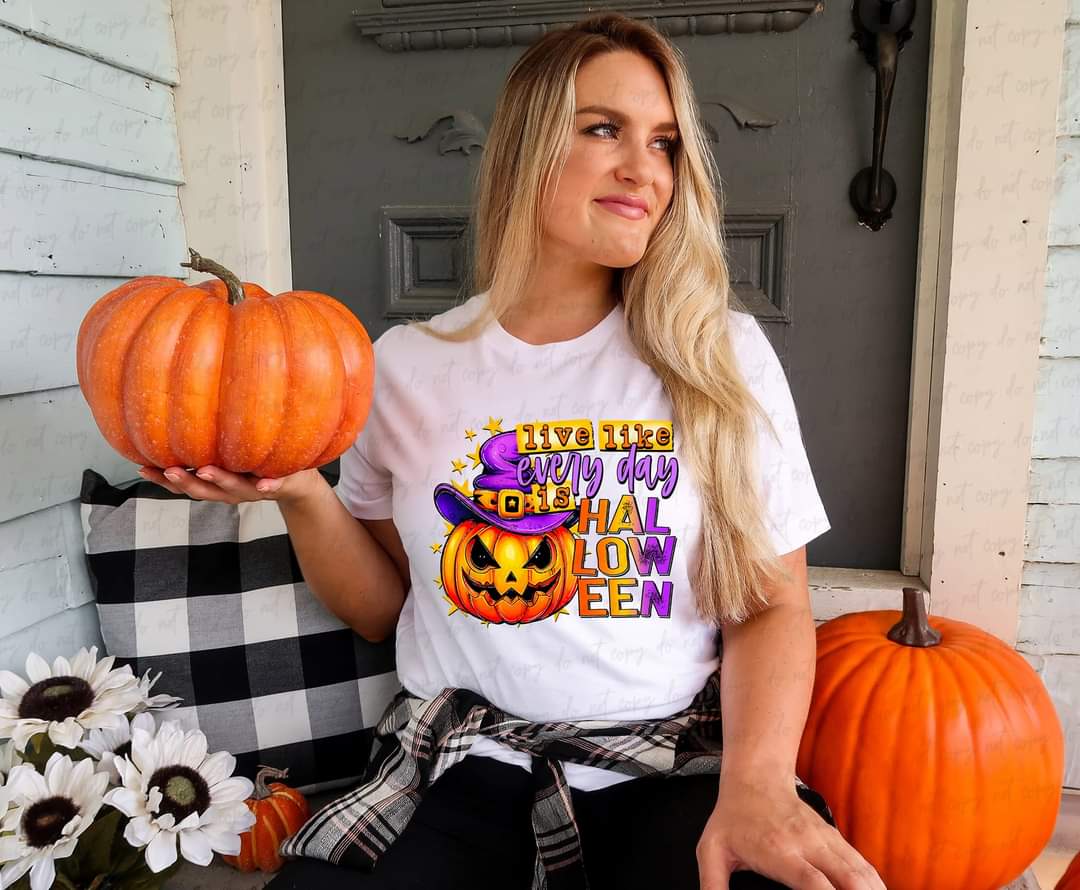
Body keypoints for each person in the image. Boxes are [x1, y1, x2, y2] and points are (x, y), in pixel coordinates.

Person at [140, 12, 886, 890]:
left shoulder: (716, 354)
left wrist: (757, 786)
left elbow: (770, 604)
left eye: (665, 142)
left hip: (670, 766)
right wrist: (302, 492)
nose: (644, 168)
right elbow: (385, 608)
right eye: (603, 129)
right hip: (461, 767)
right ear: (527, 145)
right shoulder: (403, 366)